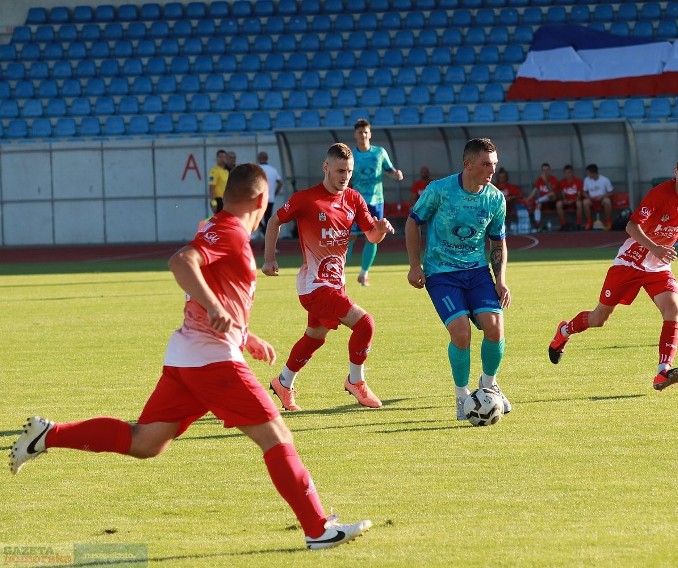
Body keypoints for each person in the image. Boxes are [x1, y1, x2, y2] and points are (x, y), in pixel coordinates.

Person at [9, 164, 372, 550]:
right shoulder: (230, 232)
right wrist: (216, 309)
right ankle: (318, 529)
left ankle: (49, 435)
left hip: (187, 356)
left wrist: (245, 335)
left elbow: (215, 292)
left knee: (145, 442)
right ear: (261, 200)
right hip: (213, 361)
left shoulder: (215, 225)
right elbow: (181, 262)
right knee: (277, 436)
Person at [548, 147, 678, 392]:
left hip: (658, 265)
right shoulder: (658, 195)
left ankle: (662, 372)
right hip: (631, 261)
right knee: (599, 318)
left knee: (673, 308)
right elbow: (632, 226)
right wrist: (655, 247)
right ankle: (564, 331)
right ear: (675, 171)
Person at [263, 143, 395, 412]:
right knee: (365, 323)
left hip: (335, 284)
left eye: (349, 171)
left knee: (314, 337)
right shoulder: (306, 199)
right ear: (326, 168)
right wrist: (269, 258)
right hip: (314, 286)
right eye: (339, 171)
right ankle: (355, 381)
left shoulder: (354, 199)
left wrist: (380, 230)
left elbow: (371, 235)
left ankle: (283, 382)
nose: (345, 176)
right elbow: (275, 221)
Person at [405, 138, 512, 420]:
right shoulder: (439, 190)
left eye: (495, 165)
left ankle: (489, 387)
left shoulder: (495, 198)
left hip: (477, 272)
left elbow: (498, 243)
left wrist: (500, 279)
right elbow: (413, 221)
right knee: (461, 333)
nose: (492, 171)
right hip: (441, 272)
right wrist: (415, 265)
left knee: (495, 328)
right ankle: (463, 396)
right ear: (467, 164)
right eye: (486, 164)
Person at [346, 118, 404, 287]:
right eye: (360, 132)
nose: (363, 135)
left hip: (376, 202)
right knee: (351, 237)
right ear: (355, 134)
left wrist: (396, 174)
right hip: (356, 202)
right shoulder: (351, 155)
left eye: (366, 132)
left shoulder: (379, 152)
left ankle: (364, 273)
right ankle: (339, 272)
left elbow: (389, 170)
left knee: (374, 237)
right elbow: (346, 178)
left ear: (370, 134)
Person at [256, 151, 284, 238]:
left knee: (256, 219)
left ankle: (265, 233)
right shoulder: (273, 170)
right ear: (267, 158)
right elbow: (280, 182)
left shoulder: (256, 169)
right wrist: (275, 193)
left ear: (259, 158)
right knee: (267, 219)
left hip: (259, 199)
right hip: (270, 198)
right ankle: (267, 237)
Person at [525, 162, 558, 231]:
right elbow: (534, 191)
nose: (545, 172)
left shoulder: (553, 179)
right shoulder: (539, 180)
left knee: (551, 195)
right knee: (538, 204)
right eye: (544, 170)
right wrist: (528, 199)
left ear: (550, 170)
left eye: (547, 170)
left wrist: (545, 181)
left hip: (551, 201)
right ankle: (537, 223)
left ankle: (537, 201)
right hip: (543, 201)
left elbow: (551, 192)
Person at [493, 167, 527, 234]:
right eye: (500, 177)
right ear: (497, 177)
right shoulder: (493, 187)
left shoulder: (510, 187)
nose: (502, 179)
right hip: (497, 208)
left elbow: (521, 195)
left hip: (510, 207)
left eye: (503, 177)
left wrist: (511, 197)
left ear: (506, 177)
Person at [582, 163, 614, 230]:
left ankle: (608, 221)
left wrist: (602, 196)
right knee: (585, 202)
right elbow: (584, 192)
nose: (588, 175)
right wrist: (589, 197)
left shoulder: (605, 180)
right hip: (591, 200)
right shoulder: (586, 180)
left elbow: (611, 192)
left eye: (589, 173)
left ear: (593, 173)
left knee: (607, 201)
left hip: (602, 200)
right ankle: (589, 222)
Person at [555, 164, 584, 231]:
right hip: (566, 201)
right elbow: (562, 194)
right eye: (566, 173)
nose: (567, 174)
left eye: (569, 172)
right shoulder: (561, 182)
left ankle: (578, 224)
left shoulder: (578, 181)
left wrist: (573, 200)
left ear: (572, 172)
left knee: (579, 203)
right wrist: (564, 200)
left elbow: (579, 195)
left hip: (575, 200)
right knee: (558, 204)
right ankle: (563, 224)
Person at [207, 148, 229, 214]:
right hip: (219, 200)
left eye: (224, 157)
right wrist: (213, 202)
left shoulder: (226, 171)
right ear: (217, 158)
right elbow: (211, 188)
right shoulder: (214, 171)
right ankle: (207, 224)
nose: (222, 159)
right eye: (220, 157)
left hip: (227, 200)